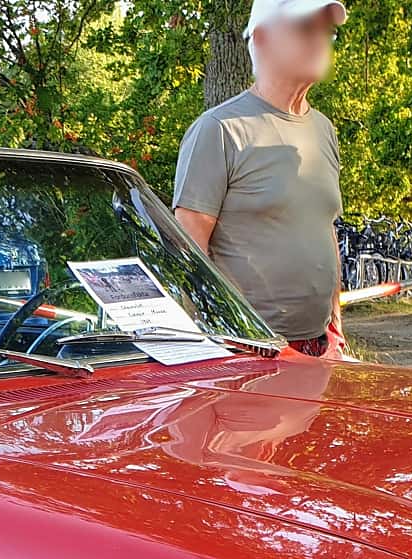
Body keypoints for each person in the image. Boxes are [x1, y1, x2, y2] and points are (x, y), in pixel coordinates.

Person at [172, 0, 348, 356]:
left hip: (317, 348)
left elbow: (324, 228)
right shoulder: (219, 129)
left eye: (325, 32)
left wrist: (335, 330)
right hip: (246, 352)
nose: (320, 42)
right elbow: (186, 252)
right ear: (263, 38)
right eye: (305, 29)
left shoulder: (323, 130)